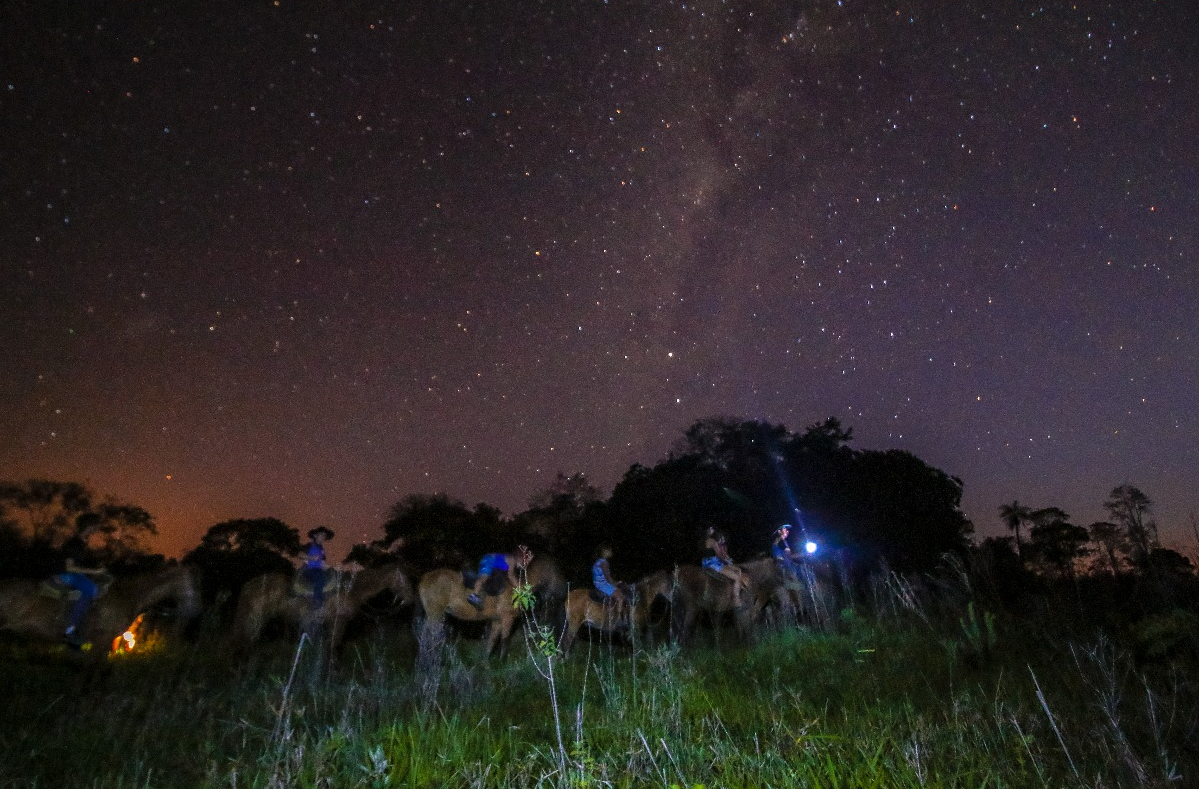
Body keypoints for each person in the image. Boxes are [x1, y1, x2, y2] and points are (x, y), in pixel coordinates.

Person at [56, 519, 106, 645]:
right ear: (88, 528)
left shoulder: (82, 544)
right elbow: (69, 567)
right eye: (94, 528)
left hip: (75, 574)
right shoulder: (74, 544)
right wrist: (94, 572)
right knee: (91, 589)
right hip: (66, 575)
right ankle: (70, 630)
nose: (96, 531)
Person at [468, 545, 533, 610]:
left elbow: (520, 568)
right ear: (520, 558)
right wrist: (519, 589)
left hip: (491, 562)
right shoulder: (512, 560)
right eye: (524, 561)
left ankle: (475, 594)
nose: (523, 564)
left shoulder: (513, 560)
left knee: (487, 578)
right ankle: (474, 595)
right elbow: (511, 576)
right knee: (483, 578)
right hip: (489, 560)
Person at [701, 526, 745, 607]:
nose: (713, 529)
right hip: (714, 564)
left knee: (737, 569)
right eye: (711, 528)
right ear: (708, 531)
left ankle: (737, 588)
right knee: (736, 577)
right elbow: (719, 555)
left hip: (706, 562)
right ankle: (736, 599)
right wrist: (727, 561)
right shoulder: (713, 541)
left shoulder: (703, 540)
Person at [591, 546, 631, 615]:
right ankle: (618, 617)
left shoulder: (598, 561)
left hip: (598, 583)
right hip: (602, 585)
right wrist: (615, 584)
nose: (611, 552)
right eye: (609, 551)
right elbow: (607, 577)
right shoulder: (604, 563)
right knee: (620, 598)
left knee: (620, 593)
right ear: (605, 552)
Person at [302, 526, 335, 608]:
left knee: (334, 578)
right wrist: (311, 558)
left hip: (319, 570)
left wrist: (329, 567)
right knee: (320, 579)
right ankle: (316, 602)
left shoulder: (322, 549)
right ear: (315, 535)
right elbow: (300, 554)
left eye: (324, 536)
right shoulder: (310, 545)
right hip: (309, 570)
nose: (323, 537)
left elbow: (323, 563)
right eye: (321, 535)